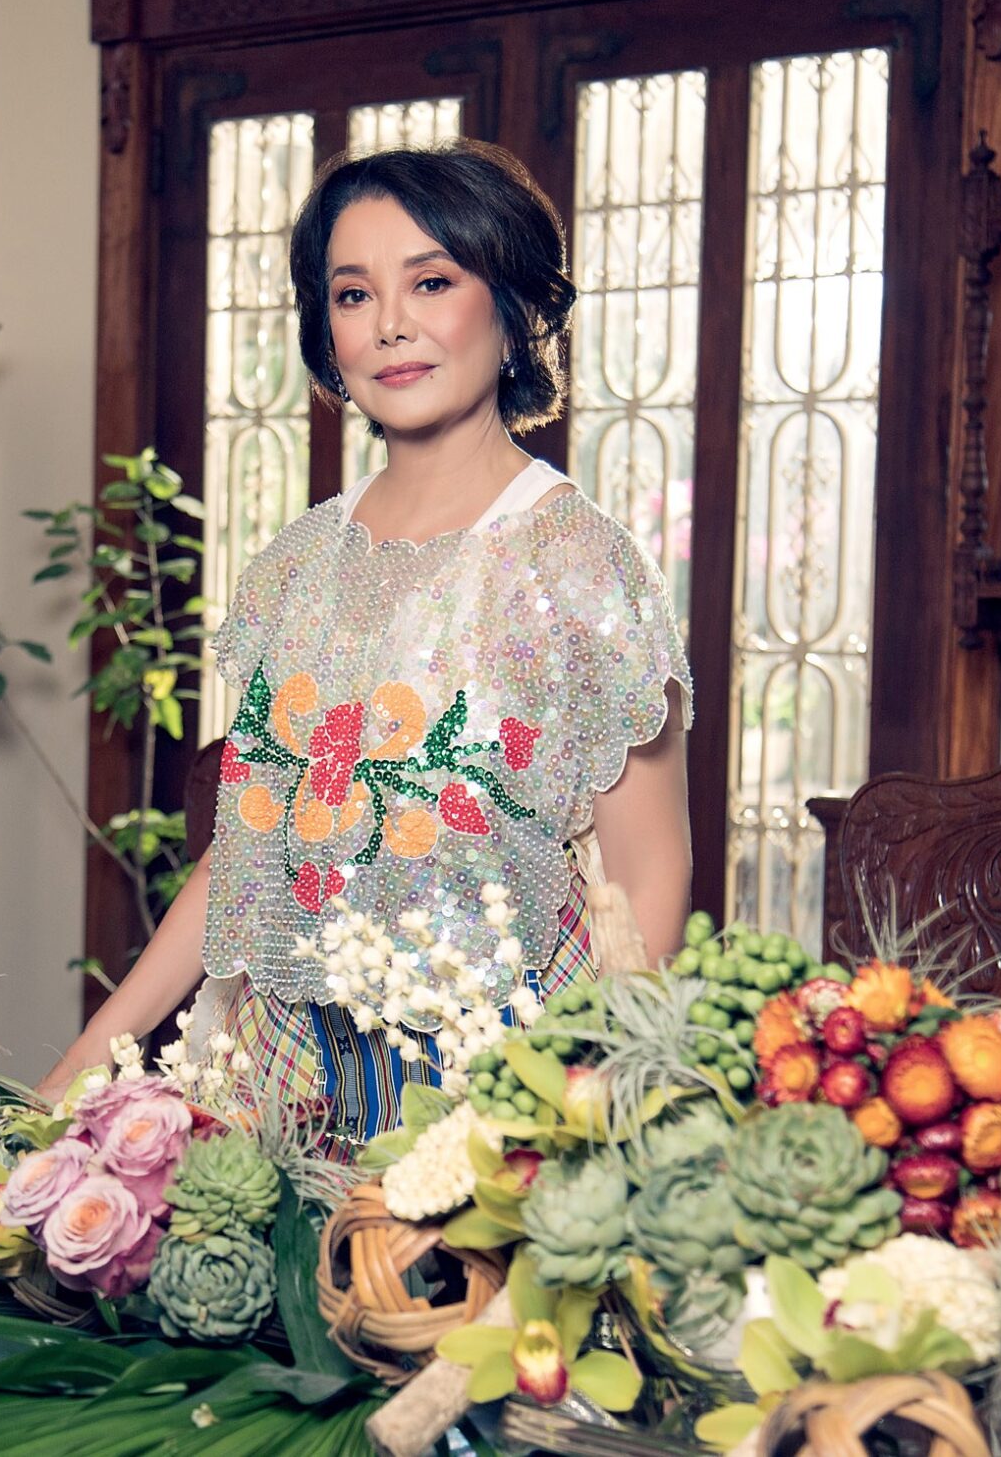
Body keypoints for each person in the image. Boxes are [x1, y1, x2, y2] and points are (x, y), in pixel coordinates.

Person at [37, 139, 692, 1137]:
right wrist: (89, 1058)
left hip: (502, 1081)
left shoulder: (578, 562)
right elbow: (239, 864)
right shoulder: (298, 568)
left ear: (512, 311)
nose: (390, 324)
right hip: (286, 1074)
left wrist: (574, 1121)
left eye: (431, 281)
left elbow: (648, 878)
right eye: (352, 294)